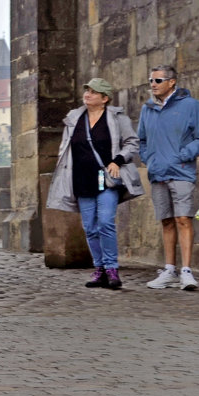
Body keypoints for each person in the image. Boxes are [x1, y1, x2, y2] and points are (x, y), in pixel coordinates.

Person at [46, 78, 143, 288]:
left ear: (105, 98)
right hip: (81, 179)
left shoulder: (117, 118)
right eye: (87, 90)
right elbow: (65, 149)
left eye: (93, 92)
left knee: (106, 222)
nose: (87, 94)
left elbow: (132, 143)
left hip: (106, 179)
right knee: (90, 227)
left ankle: (111, 268)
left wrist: (118, 160)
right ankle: (99, 269)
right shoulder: (74, 118)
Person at [140, 65, 199, 290]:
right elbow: (142, 140)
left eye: (157, 81)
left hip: (182, 171)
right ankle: (169, 270)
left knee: (183, 219)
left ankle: (186, 271)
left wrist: (183, 155)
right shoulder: (147, 108)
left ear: (172, 82)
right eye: (151, 81)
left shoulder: (191, 106)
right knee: (166, 221)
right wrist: (149, 159)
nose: (153, 85)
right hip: (158, 172)